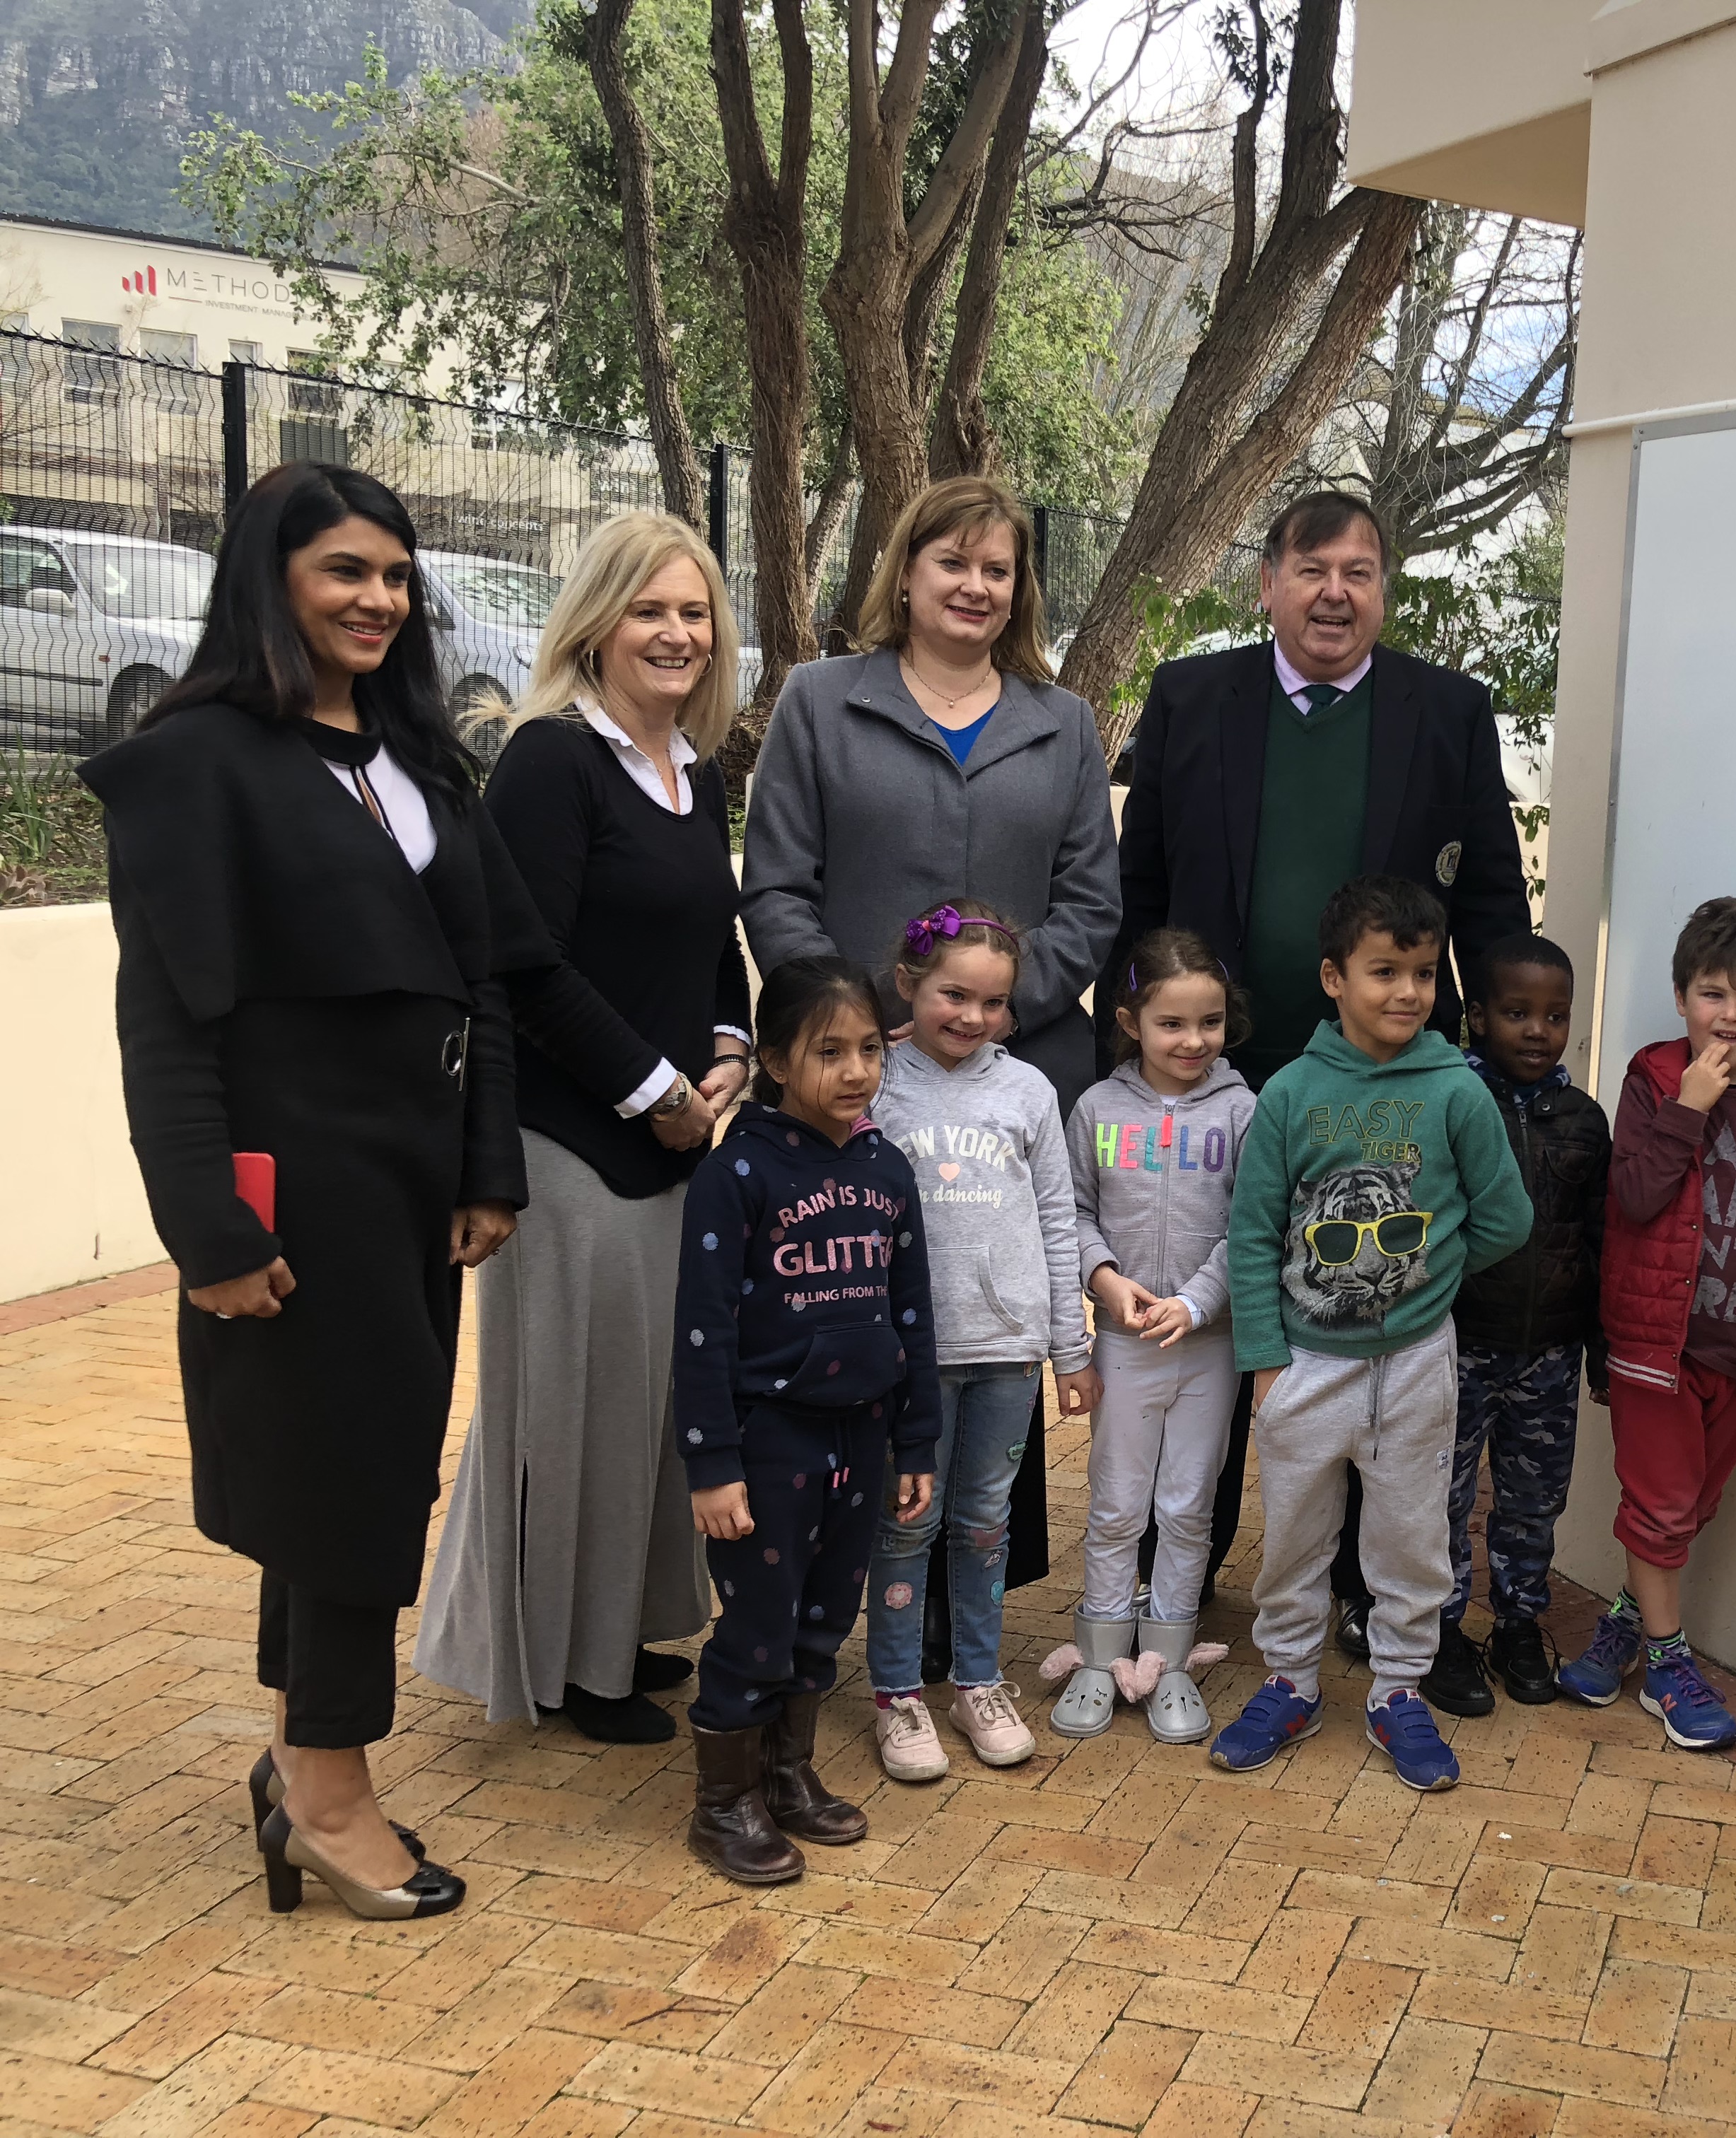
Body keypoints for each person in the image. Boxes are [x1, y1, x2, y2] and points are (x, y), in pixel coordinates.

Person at [81, 463, 548, 1920]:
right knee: (341, 1484)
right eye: (347, 571)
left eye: (397, 577)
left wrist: (487, 1166)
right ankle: (331, 1791)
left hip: (414, 1181)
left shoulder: (416, 753)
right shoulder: (197, 760)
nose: (378, 601)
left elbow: (482, 976)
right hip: (292, 1186)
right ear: (269, 578)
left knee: (364, 1466)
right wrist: (208, 1226)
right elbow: (165, 1023)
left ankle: (303, 1764)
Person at [1112, 489, 1527, 1623]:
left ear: (1382, 588)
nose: (1336, 592)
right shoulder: (1192, 697)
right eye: (1313, 570)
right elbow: (1140, 883)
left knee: (1363, 1325)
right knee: (1218, 1333)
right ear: (1268, 582)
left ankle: (1354, 1590)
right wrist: (1130, 1037)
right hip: (1215, 1080)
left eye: (1359, 571)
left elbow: (1490, 892)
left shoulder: (1446, 712)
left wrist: (1493, 1059)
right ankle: (1172, 1582)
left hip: (1377, 1095)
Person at [743, 474, 1117, 1613]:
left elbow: (1091, 905)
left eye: (997, 569)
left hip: (1020, 1084)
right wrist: (863, 1032)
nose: (975, 585)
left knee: (994, 1333)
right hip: (857, 1091)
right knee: (853, 1331)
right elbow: (777, 891)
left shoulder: (1062, 727)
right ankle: (840, 1604)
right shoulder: (820, 702)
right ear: (903, 572)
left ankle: (974, 1622)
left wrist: (988, 1012)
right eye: (952, 562)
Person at [415, 512, 750, 1746]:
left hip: (672, 1145)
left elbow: (711, 941)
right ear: (597, 623)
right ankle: (560, 1667)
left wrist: (729, 1048)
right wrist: (656, 1090)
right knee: (566, 1419)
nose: (676, 632)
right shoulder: (552, 762)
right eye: (650, 609)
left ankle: (615, 1629)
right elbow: (526, 963)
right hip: (569, 1146)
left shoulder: (696, 769)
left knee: (651, 1409)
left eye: (695, 611)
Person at [1207, 877, 1532, 1792]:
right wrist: (1265, 1362)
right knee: (1294, 1542)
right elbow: (1253, 1233)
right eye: (1383, 970)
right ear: (1332, 977)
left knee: (1412, 1542)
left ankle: (1398, 1694)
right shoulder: (1291, 1094)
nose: (1406, 991)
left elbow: (1505, 1217)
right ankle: (1289, 1682)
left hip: (1417, 1364)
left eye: (1423, 974)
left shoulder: (1455, 1093)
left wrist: (1430, 1277)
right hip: (1306, 1365)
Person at [669, 958, 937, 1884]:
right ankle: (723, 1805)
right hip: (768, 1439)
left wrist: (916, 1440)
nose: (857, 1070)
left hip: (861, 1435)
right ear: (778, 1059)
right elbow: (701, 1333)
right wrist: (712, 1464)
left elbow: (913, 1314)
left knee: (824, 1619)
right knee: (760, 1621)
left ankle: (787, 1774)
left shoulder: (885, 1167)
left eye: (869, 1048)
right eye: (831, 1051)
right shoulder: (736, 1174)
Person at [1559, 897, 1736, 1752]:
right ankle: (1670, 1667)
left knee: (1688, 1510)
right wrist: (1689, 1106)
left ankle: (1621, 1627)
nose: (1731, 1015)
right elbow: (1635, 1196)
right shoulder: (1652, 1081)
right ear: (1681, 997)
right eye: (1713, 994)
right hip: (1656, 1348)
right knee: (1662, 1503)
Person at [865, 904, 1098, 1775]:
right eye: (952, 995)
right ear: (908, 986)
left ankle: (976, 1680)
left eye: (993, 1003)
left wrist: (1068, 1349)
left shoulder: (1028, 1091)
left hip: (1007, 1351)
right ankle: (895, 1694)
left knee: (985, 1524)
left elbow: (1054, 1217)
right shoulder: (877, 1083)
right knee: (903, 1524)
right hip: (906, 1357)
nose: (972, 1017)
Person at [1053, 929, 1255, 1744]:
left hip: (1210, 1348)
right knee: (1116, 1502)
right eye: (1172, 1023)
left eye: (1210, 1022)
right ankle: (1100, 1655)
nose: (1194, 1041)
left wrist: (1200, 1302)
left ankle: (1169, 1660)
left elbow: (1256, 1223)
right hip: (1125, 1344)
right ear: (1132, 1020)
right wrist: (1106, 1282)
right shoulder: (1097, 1109)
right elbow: (1069, 1211)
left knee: (1189, 1503)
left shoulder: (1246, 1110)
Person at [1420, 934, 1610, 1719]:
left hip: (1552, 1353)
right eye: (1518, 1012)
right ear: (1477, 1019)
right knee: (1444, 1498)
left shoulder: (1585, 1120)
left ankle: (1519, 1624)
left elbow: (1600, 1240)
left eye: (1556, 1015)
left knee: (1534, 1500)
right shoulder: (1455, 1105)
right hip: (1459, 1345)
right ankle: (1439, 1631)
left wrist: (1599, 1346)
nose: (1538, 1030)